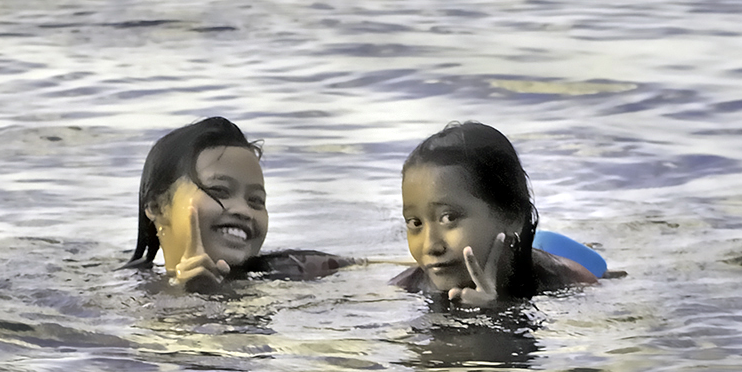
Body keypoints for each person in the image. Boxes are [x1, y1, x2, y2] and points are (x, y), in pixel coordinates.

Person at [120, 116, 357, 290]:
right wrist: (192, 298)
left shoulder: (291, 274)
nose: (244, 211)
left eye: (256, 201)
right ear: (157, 206)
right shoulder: (121, 292)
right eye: (220, 191)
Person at [392, 121, 599, 306]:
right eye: (415, 223)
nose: (431, 246)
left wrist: (495, 312)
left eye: (449, 218)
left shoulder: (570, 282)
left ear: (512, 216)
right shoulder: (404, 291)